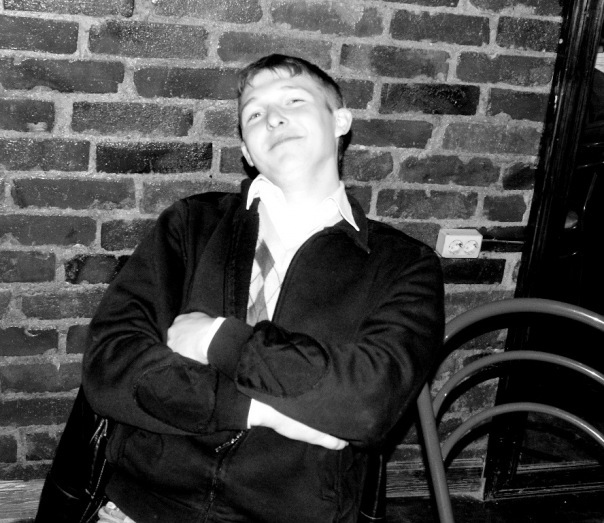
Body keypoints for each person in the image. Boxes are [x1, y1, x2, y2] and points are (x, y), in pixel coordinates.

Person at [81, 54, 444, 523]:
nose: (273, 117)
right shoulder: (191, 226)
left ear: (340, 122)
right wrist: (262, 410)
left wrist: (217, 339)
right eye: (254, 113)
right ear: (248, 152)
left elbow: (369, 403)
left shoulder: (404, 265)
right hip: (146, 504)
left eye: (294, 101)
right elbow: (111, 364)